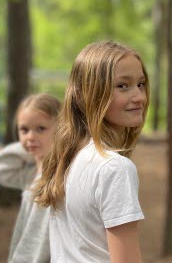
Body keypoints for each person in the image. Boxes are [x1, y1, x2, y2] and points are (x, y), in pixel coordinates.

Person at [34, 41, 149, 263]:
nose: (139, 97)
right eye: (123, 86)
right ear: (89, 93)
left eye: (141, 84)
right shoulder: (114, 168)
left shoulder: (68, 157)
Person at [0, 93, 61, 263]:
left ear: (62, 128)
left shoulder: (60, 176)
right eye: (24, 130)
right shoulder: (29, 174)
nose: (30, 136)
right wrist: (28, 150)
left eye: (41, 128)